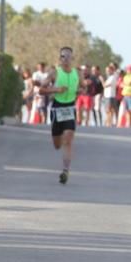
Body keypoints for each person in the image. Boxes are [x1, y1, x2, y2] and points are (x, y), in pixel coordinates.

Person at [40, 46, 79, 184]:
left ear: (72, 58)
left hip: (70, 108)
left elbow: (81, 87)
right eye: (63, 56)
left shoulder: (76, 73)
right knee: (57, 144)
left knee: (68, 140)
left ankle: (65, 171)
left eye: (68, 56)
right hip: (57, 109)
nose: (65, 59)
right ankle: (58, 137)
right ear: (59, 58)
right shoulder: (54, 73)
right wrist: (56, 89)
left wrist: (81, 89)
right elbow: (41, 89)